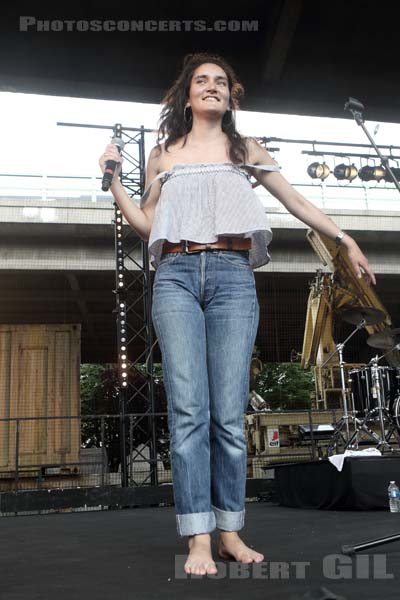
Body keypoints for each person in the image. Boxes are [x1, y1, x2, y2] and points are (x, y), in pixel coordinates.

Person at [99, 52, 376, 576]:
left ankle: (229, 531)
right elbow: (145, 224)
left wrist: (344, 238)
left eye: (219, 82)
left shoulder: (245, 149)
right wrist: (114, 180)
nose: (210, 87)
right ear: (186, 95)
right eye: (201, 81)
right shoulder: (163, 155)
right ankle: (197, 538)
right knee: (188, 413)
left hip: (231, 275)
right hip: (177, 275)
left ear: (230, 96)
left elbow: (294, 201)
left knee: (228, 416)